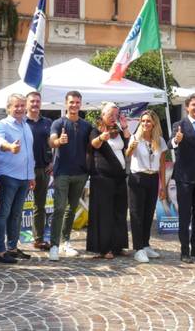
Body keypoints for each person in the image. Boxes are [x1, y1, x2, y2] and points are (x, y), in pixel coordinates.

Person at [168, 94, 195, 263]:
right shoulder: (179, 125)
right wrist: (176, 141)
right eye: (193, 105)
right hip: (185, 177)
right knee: (185, 215)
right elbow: (169, 143)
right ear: (187, 107)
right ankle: (184, 251)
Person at [48, 91, 92, 261]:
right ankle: (54, 245)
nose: (74, 105)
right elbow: (52, 141)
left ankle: (66, 241)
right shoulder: (58, 123)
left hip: (80, 173)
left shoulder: (86, 125)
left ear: (81, 104)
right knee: (59, 208)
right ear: (66, 104)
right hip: (62, 173)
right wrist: (58, 141)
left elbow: (93, 144)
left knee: (71, 209)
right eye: (71, 102)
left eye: (77, 102)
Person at [0, 94, 35, 264]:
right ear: (9, 108)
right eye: (16, 106)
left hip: (24, 177)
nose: (19, 109)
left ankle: (12, 248)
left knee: (16, 214)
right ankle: (0, 251)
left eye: (22, 105)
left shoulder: (26, 125)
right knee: (4, 213)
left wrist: (31, 175)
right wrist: (10, 146)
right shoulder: (4, 124)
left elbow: (29, 153)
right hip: (9, 176)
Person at [87, 103, 130, 259]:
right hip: (103, 177)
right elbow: (94, 144)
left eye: (116, 115)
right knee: (104, 214)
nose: (113, 118)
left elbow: (128, 145)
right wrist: (101, 137)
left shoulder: (117, 130)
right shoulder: (95, 130)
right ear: (103, 115)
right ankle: (104, 248)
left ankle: (118, 246)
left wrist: (125, 127)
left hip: (119, 177)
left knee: (119, 212)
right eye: (110, 115)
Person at [126, 110, 167, 263]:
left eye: (148, 121)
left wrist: (162, 185)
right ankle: (138, 249)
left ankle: (145, 244)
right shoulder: (135, 138)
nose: (145, 124)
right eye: (143, 121)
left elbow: (162, 164)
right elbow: (127, 155)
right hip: (138, 177)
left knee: (149, 213)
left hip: (153, 178)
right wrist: (131, 147)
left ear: (154, 123)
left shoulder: (160, 141)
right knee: (137, 214)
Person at [25, 91, 53, 250]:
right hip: (23, 170)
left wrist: (52, 162)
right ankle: (12, 241)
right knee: (16, 206)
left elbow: (53, 144)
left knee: (39, 206)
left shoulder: (48, 122)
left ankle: (39, 239)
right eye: (32, 101)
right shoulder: (21, 121)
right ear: (27, 103)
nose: (35, 104)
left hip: (43, 169)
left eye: (37, 101)